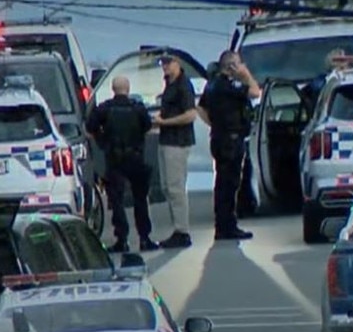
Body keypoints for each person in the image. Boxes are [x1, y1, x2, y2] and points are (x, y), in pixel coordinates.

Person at [85, 76, 159, 253]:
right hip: (135, 158)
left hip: (115, 159)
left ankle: (122, 239)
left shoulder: (104, 109)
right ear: (128, 88)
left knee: (117, 200)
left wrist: (103, 141)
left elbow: (90, 127)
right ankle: (144, 238)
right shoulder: (137, 108)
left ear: (113, 89)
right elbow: (147, 126)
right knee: (140, 199)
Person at [197, 50, 261, 240]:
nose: (242, 67)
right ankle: (228, 227)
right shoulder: (230, 85)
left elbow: (201, 108)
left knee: (221, 184)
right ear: (231, 66)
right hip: (231, 139)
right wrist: (246, 75)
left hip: (218, 137)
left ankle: (222, 225)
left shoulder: (212, 85)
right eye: (239, 63)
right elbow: (256, 92)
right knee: (230, 184)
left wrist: (215, 123)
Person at [152, 54, 198, 248]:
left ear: (177, 64)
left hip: (178, 142)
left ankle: (182, 231)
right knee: (166, 187)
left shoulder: (183, 85)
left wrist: (166, 122)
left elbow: (190, 115)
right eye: (162, 63)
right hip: (166, 139)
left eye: (168, 63)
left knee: (176, 188)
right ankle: (176, 229)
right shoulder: (169, 84)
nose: (164, 66)